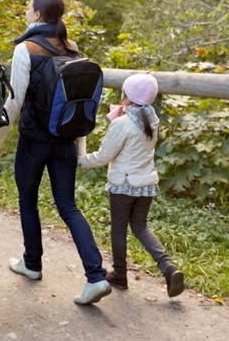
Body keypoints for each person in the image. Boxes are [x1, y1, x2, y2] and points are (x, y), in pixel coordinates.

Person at [0, 0, 112, 305]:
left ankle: (32, 263)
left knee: (28, 202)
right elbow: (80, 107)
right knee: (68, 206)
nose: (27, 11)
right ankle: (95, 277)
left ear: (38, 14)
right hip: (66, 141)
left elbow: (14, 101)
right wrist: (81, 151)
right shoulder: (73, 50)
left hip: (34, 141)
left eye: (29, 7)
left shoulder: (26, 49)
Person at [78, 73, 185, 297]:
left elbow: (103, 156)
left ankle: (119, 274)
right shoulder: (151, 119)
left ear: (126, 95)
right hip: (145, 184)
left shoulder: (123, 124)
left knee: (119, 228)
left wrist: (81, 157)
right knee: (140, 227)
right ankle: (168, 267)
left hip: (124, 185)